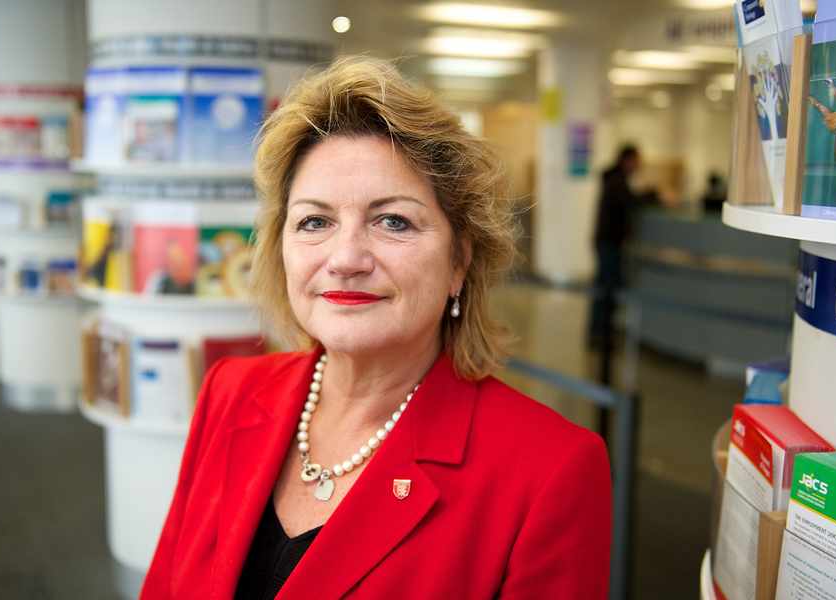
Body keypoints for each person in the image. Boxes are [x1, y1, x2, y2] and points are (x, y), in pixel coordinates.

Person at [140, 57, 611, 600]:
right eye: (315, 221)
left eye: (393, 221)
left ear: (459, 261)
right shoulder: (229, 392)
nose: (345, 259)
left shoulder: (550, 472)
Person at [589, 144, 655, 350]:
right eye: (636, 160)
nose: (638, 165)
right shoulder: (616, 180)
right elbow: (630, 201)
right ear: (627, 160)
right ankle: (601, 335)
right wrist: (652, 195)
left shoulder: (613, 178)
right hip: (609, 242)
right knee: (607, 288)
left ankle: (599, 333)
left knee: (603, 287)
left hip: (607, 241)